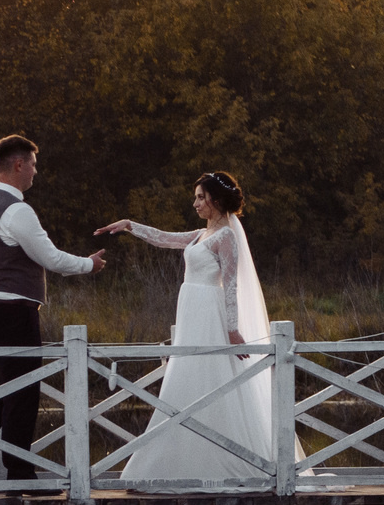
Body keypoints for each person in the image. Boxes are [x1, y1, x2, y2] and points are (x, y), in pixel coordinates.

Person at [94, 171, 282, 486]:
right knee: (189, 375)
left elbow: (232, 286)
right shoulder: (200, 235)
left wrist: (233, 328)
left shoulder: (227, 237)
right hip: (192, 310)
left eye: (200, 197)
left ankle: (229, 459)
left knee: (213, 376)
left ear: (216, 201)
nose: (194, 203)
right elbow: (165, 237)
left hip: (210, 313)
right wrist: (129, 225)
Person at [0, 135, 106, 482]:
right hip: (11, 313)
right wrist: (89, 265)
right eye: (32, 164)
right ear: (18, 164)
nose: (35, 172)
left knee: (1, 393)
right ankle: (20, 472)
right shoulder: (16, 210)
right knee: (23, 393)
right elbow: (50, 257)